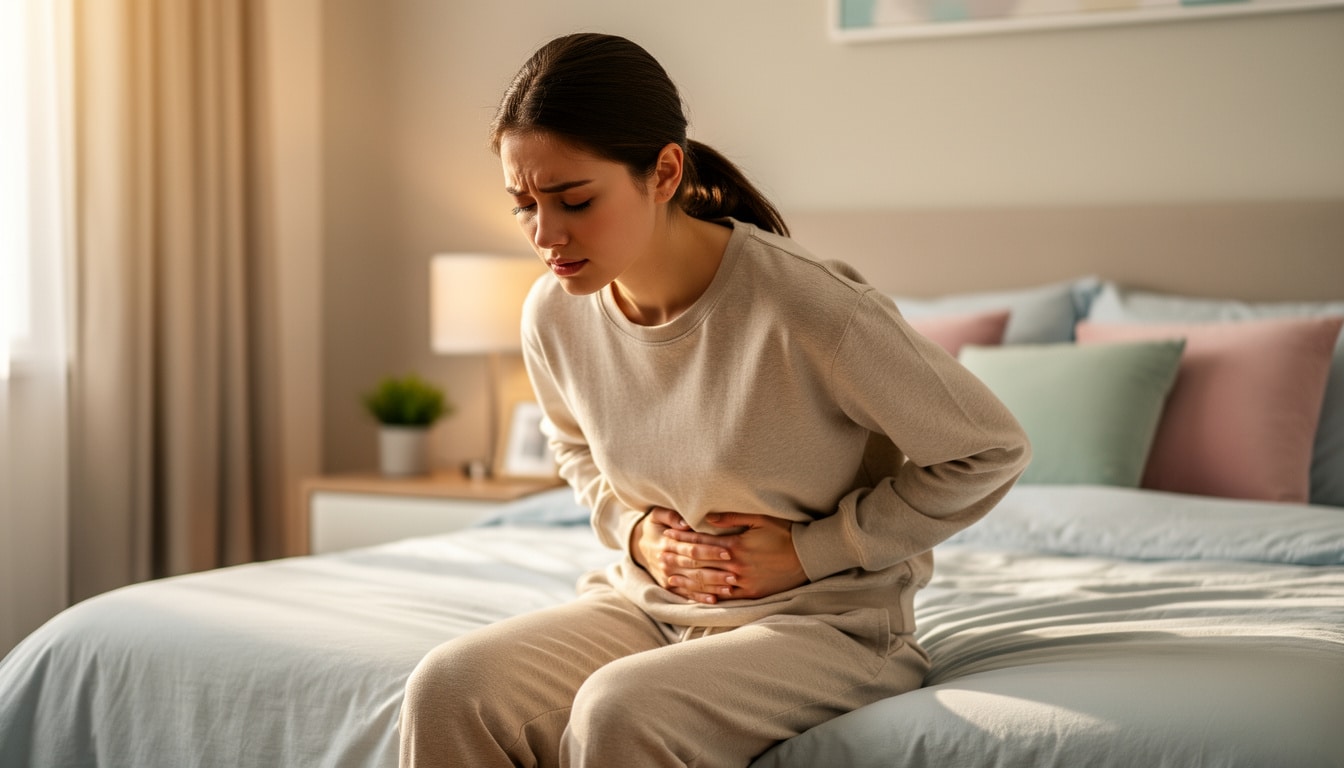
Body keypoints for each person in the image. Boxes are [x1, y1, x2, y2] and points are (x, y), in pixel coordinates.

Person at [399, 32, 1030, 768]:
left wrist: (807, 552)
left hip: (825, 628)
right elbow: (570, 445)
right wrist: (635, 534)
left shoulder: (808, 306)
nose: (546, 234)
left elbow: (990, 448)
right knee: (446, 688)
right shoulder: (552, 314)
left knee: (621, 709)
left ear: (663, 171)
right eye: (522, 204)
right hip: (650, 605)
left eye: (573, 199)